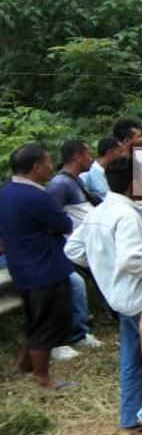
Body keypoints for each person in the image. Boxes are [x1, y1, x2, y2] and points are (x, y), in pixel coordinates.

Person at [64, 156, 142, 432]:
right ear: (132, 184)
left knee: (132, 360)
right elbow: (133, 260)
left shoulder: (97, 213)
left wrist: (104, 266)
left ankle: (130, 418)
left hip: (118, 299)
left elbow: (73, 250)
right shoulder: (127, 216)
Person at [0, 144, 76, 389]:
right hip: (44, 267)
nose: (51, 167)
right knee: (47, 321)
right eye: (47, 162)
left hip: (20, 265)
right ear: (36, 167)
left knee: (33, 317)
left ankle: (24, 363)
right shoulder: (37, 196)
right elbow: (64, 224)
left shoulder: (6, 192)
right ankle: (42, 377)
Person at [45, 139, 101, 353]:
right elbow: (52, 220)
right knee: (74, 283)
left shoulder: (76, 180)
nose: (91, 158)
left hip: (90, 242)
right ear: (78, 156)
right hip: (72, 248)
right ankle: (75, 334)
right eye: (88, 154)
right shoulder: (60, 185)